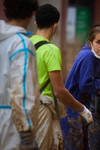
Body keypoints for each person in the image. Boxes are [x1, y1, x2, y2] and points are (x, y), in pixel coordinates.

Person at [30, 4, 93, 149]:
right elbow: (59, 91)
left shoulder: (24, 44)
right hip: (41, 110)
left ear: (36, 24)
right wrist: (82, 108)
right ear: (55, 26)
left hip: (23, 108)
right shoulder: (51, 50)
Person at [0, 0, 39, 149]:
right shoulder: (21, 44)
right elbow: (21, 89)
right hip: (12, 124)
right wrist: (26, 131)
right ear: (31, 14)